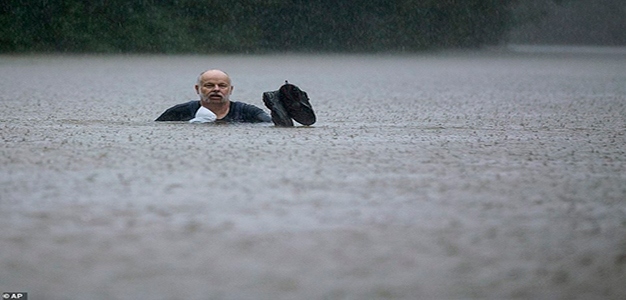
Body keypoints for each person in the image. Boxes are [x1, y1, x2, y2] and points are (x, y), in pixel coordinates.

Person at [156, 69, 316, 126]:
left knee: (275, 124)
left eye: (222, 86)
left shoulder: (247, 111)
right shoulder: (179, 112)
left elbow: (266, 125)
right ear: (198, 89)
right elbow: (156, 128)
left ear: (230, 89)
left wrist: (279, 123)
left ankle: (287, 108)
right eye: (210, 85)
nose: (216, 89)